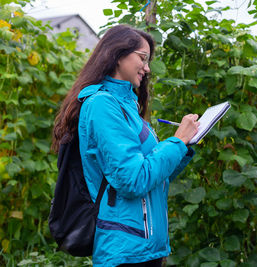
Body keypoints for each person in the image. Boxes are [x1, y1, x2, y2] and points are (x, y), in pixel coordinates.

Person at [52, 25, 199, 266]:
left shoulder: (128, 108)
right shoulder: (102, 106)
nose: (147, 68)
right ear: (117, 55)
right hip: (124, 250)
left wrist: (183, 147)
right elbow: (133, 180)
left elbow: (154, 177)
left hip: (147, 248)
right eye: (142, 58)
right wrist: (177, 140)